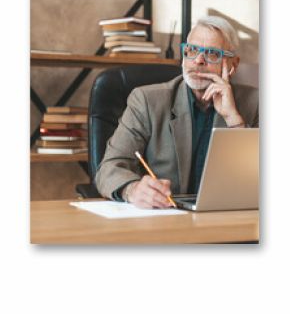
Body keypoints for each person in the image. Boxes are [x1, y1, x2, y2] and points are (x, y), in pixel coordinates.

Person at [95, 16, 259, 208]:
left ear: (233, 64)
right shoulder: (147, 101)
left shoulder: (255, 102)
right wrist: (132, 190)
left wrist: (234, 120)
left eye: (212, 54)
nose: (198, 60)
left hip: (229, 218)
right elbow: (108, 168)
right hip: (166, 217)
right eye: (192, 50)